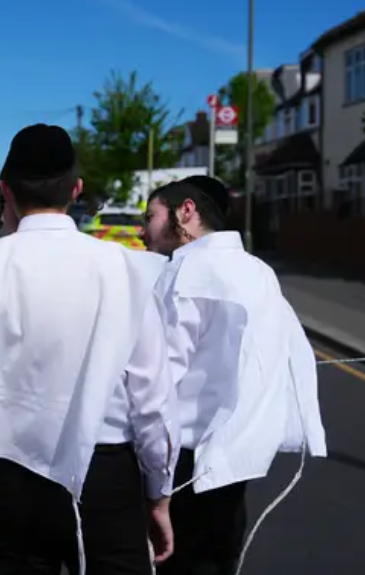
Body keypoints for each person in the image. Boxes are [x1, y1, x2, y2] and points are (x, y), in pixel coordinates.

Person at [0, 124, 179, 575]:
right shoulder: (123, 269)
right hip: (105, 475)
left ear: (5, 189)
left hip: (10, 473)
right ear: (76, 189)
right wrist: (158, 495)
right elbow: (152, 404)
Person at [140, 176, 327, 575]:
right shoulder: (259, 271)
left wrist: (151, 482)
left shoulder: (184, 270)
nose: (143, 230)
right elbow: (287, 354)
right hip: (233, 461)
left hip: (182, 466)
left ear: (185, 211)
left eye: (150, 216)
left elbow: (156, 381)